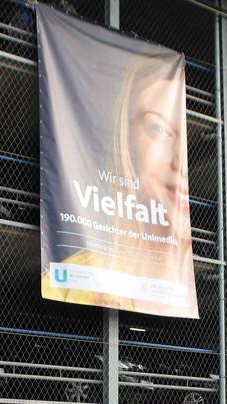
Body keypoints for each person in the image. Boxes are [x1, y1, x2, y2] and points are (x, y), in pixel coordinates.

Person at [42, 49, 198, 318]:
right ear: (125, 140)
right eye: (158, 129)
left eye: (181, 138)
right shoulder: (67, 279)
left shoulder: (183, 282)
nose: (179, 159)